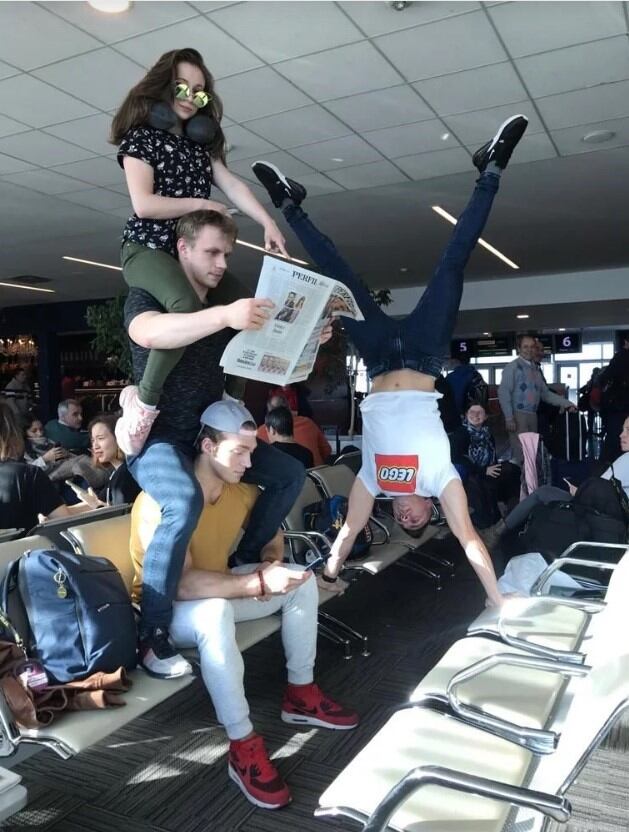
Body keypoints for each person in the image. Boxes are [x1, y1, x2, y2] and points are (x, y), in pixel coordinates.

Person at [253, 115, 530, 606]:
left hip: (379, 358)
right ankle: (491, 170)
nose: (409, 520)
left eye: (406, 523)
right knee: (453, 262)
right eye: (418, 520)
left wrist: (332, 571)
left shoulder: (373, 480)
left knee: (337, 276)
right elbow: (469, 539)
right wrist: (496, 597)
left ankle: (288, 204)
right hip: (424, 355)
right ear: (429, 508)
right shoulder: (442, 481)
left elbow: (347, 532)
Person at [129, 400, 358, 809]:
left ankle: (300, 694)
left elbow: (272, 535)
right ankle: (242, 744)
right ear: (207, 446)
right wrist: (254, 581)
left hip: (212, 597)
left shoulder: (241, 491)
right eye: (240, 451)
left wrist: (270, 563)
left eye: (253, 451)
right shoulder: (161, 503)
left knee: (299, 582)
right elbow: (180, 586)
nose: (250, 463)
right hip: (167, 614)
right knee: (216, 610)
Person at [123, 209, 307, 679]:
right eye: (211, 251)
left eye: (226, 253)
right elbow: (149, 332)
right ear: (182, 249)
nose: (221, 262)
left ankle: (244, 559)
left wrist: (309, 339)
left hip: (210, 436)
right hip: (160, 440)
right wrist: (225, 315)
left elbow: (266, 357)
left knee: (289, 474)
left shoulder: (228, 306)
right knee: (181, 502)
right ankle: (153, 635)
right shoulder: (150, 296)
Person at [111, 47, 289, 455]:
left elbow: (234, 186)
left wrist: (267, 221)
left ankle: (232, 397)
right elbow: (144, 204)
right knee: (184, 306)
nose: (190, 96)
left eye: (200, 91)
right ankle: (145, 401)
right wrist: (202, 205)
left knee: (250, 308)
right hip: (149, 250)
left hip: (189, 254)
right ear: (162, 86)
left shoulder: (199, 149)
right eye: (182, 86)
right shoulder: (141, 140)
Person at [0, 402, 102, 532]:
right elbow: (63, 518)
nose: (39, 434)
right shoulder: (28, 474)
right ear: (15, 432)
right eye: (34, 431)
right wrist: (93, 506)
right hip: (25, 549)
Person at [498, 334, 574, 464]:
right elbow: (504, 392)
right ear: (519, 349)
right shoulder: (513, 367)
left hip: (532, 416)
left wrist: (567, 403)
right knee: (522, 456)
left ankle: (531, 484)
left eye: (532, 347)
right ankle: (523, 484)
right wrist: (509, 417)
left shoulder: (535, 370)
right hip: (518, 416)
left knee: (531, 456)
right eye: (525, 346)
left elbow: (545, 394)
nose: (529, 350)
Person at [449, 403, 520, 530]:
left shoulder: (487, 433)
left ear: (486, 416)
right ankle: (490, 517)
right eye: (472, 412)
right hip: (471, 474)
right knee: (486, 516)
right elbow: (456, 458)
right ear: (466, 415)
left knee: (513, 470)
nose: (475, 415)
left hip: (488, 469)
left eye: (480, 412)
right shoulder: (460, 434)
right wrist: (483, 470)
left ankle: (513, 510)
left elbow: (492, 456)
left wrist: (492, 468)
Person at [257, 390, 331, 465]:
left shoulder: (263, 430)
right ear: (289, 407)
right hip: (316, 473)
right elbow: (327, 450)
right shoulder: (308, 423)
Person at [88, 415, 140, 506]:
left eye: (100, 438)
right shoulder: (115, 474)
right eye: (93, 440)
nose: (95, 446)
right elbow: (101, 500)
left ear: (118, 438)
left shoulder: (126, 474)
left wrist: (98, 506)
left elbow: (121, 514)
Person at [598, 335, 629, 462]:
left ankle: (614, 469)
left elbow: (604, 378)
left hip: (619, 405)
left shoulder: (620, 357)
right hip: (622, 403)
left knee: (616, 437)